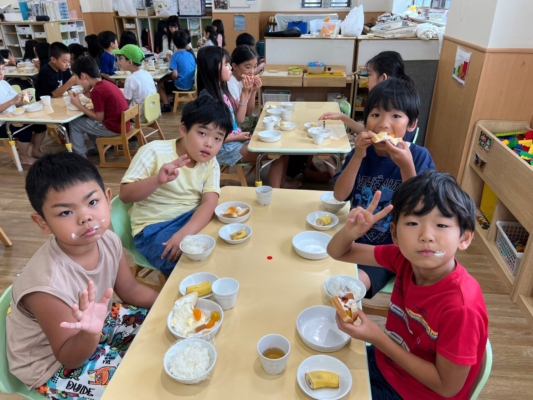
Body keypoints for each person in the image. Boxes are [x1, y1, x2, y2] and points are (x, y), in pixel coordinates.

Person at [6, 152, 158, 399]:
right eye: (65, 213)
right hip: (53, 365)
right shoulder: (46, 286)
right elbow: (69, 357)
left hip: (97, 324)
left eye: (92, 202)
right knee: (141, 381)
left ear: (108, 199)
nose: (85, 217)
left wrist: (173, 298)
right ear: (43, 223)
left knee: (165, 325)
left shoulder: (108, 239)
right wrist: (91, 334)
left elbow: (130, 290)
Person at [327, 171, 488, 399]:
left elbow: (447, 387)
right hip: (385, 364)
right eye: (412, 222)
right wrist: (349, 233)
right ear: (394, 233)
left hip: (414, 393)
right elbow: (337, 252)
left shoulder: (461, 308)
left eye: (441, 225)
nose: (426, 236)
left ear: (464, 238)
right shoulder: (403, 259)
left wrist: (377, 337)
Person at [331, 78, 435, 299]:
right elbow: (339, 195)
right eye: (375, 115)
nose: (383, 124)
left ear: (411, 124)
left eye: (395, 116)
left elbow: (422, 210)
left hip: (388, 251)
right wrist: (357, 155)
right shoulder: (362, 152)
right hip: (349, 237)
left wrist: (406, 166)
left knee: (352, 287)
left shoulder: (418, 156)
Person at [119, 95, 233, 275]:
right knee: (188, 266)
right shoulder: (154, 151)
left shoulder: (210, 163)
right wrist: (157, 180)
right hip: (154, 228)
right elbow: (125, 195)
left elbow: (209, 202)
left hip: (191, 220)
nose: (209, 144)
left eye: (218, 138)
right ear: (183, 129)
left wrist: (186, 233)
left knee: (227, 245)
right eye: (202, 133)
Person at [197, 46, 298, 189]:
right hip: (226, 149)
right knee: (278, 154)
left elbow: (238, 120)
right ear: (212, 68)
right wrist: (237, 137)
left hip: (234, 141)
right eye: (226, 64)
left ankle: (281, 184)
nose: (230, 69)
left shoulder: (222, 92)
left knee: (281, 149)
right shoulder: (209, 100)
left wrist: (248, 92)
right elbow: (210, 139)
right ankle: (277, 192)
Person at [321, 51, 415, 140]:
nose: (366, 80)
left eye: (369, 74)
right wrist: (343, 117)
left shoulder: (393, 102)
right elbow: (370, 131)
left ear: (383, 78)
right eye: (376, 115)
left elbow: (380, 137)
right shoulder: (389, 98)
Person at [67, 56, 129, 158]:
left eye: (77, 79)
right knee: (86, 118)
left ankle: (81, 158)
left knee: (74, 123)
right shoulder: (105, 83)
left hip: (114, 128)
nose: (78, 83)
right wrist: (91, 97)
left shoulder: (97, 91)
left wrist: (77, 104)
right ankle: (97, 149)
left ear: (83, 76)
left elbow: (99, 117)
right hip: (122, 124)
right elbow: (105, 104)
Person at [0, 55, 46, 165]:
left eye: (2, 69)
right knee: (24, 130)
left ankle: (36, 150)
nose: (1, 73)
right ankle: (23, 157)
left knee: (40, 125)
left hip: (13, 117)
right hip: (2, 124)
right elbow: (12, 102)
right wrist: (12, 101)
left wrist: (25, 98)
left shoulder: (4, 83)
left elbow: (17, 102)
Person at [114, 44, 156, 122]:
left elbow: (126, 102)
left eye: (120, 59)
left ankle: (128, 132)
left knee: (114, 109)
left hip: (138, 116)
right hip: (152, 112)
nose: (119, 62)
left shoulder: (131, 79)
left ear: (130, 62)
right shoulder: (147, 73)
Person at [159, 30, 196, 113]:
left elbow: (175, 75)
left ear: (174, 43)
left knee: (160, 83)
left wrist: (168, 78)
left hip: (181, 86)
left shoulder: (175, 56)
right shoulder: (190, 54)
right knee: (170, 81)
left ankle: (166, 105)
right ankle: (173, 101)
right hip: (191, 84)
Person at [228, 45, 262, 132]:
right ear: (235, 66)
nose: (252, 71)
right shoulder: (230, 84)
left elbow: (249, 113)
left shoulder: (243, 80)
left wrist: (253, 91)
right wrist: (245, 92)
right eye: (248, 67)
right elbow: (239, 119)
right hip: (234, 126)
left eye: (255, 66)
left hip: (242, 120)